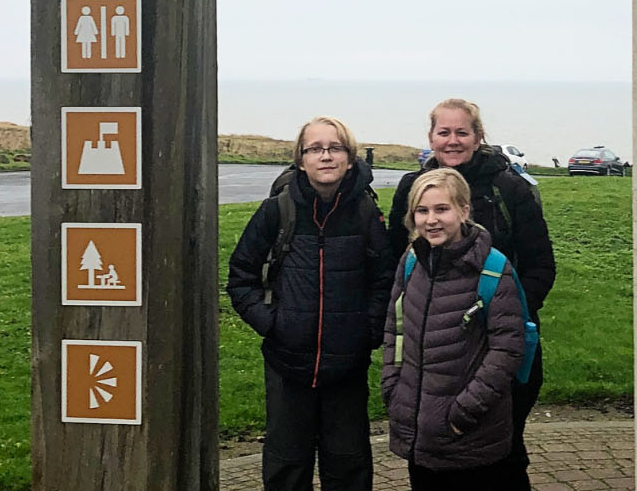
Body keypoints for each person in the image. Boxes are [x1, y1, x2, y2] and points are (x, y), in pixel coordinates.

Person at [386, 99, 555, 489]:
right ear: (431, 138)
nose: (453, 140)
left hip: (500, 346)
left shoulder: (509, 188)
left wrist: (496, 317)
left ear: (479, 137)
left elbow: (540, 266)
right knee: (431, 458)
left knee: (502, 457)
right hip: (434, 351)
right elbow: (397, 265)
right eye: (443, 132)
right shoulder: (414, 187)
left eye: (462, 132)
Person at [227, 117, 392, 491]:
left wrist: (365, 333)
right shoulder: (277, 210)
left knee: (348, 467)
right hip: (288, 365)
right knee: (287, 468)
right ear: (301, 160)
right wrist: (272, 323)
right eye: (315, 149)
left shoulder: (366, 213)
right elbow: (241, 275)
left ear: (349, 158)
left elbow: (385, 280)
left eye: (335, 148)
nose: (326, 156)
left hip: (347, 367)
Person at [382, 168, 527, 491]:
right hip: (419, 430)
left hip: (470, 433)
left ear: (464, 211)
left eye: (442, 209)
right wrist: (393, 387)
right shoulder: (411, 261)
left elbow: (506, 349)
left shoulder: (492, 269)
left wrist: (463, 411)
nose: (431, 220)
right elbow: (396, 327)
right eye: (422, 210)